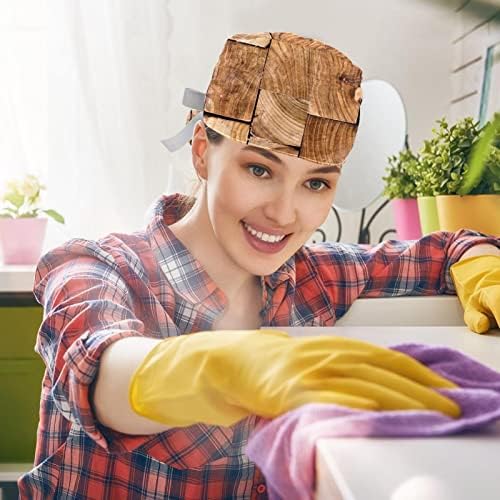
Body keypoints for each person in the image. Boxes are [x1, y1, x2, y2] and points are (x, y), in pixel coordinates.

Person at [19, 32, 499, 499]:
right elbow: (99, 370)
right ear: (204, 151)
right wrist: (221, 369)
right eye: (259, 169)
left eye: (315, 184)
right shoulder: (98, 268)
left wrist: (485, 269)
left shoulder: (314, 280)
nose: (284, 214)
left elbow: (450, 247)